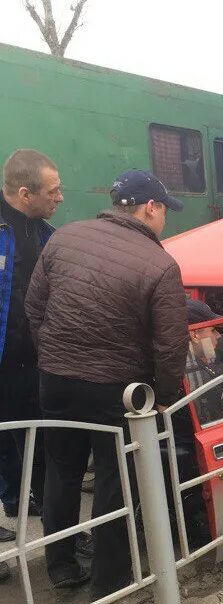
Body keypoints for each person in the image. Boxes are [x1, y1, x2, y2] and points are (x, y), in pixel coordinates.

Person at [24, 169, 189, 596]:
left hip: (56, 381)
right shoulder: (160, 264)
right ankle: (109, 580)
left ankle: (59, 565)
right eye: (164, 210)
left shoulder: (64, 237)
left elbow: (35, 306)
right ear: (149, 207)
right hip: (115, 390)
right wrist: (162, 399)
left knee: (60, 471)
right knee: (117, 480)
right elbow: (171, 347)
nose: (165, 219)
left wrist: (52, 359)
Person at [0, 149, 63, 581]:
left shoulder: (46, 234)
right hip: (3, 359)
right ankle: (9, 497)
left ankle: (33, 501)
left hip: (35, 359)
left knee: (37, 432)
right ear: (26, 193)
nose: (60, 197)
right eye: (53, 191)